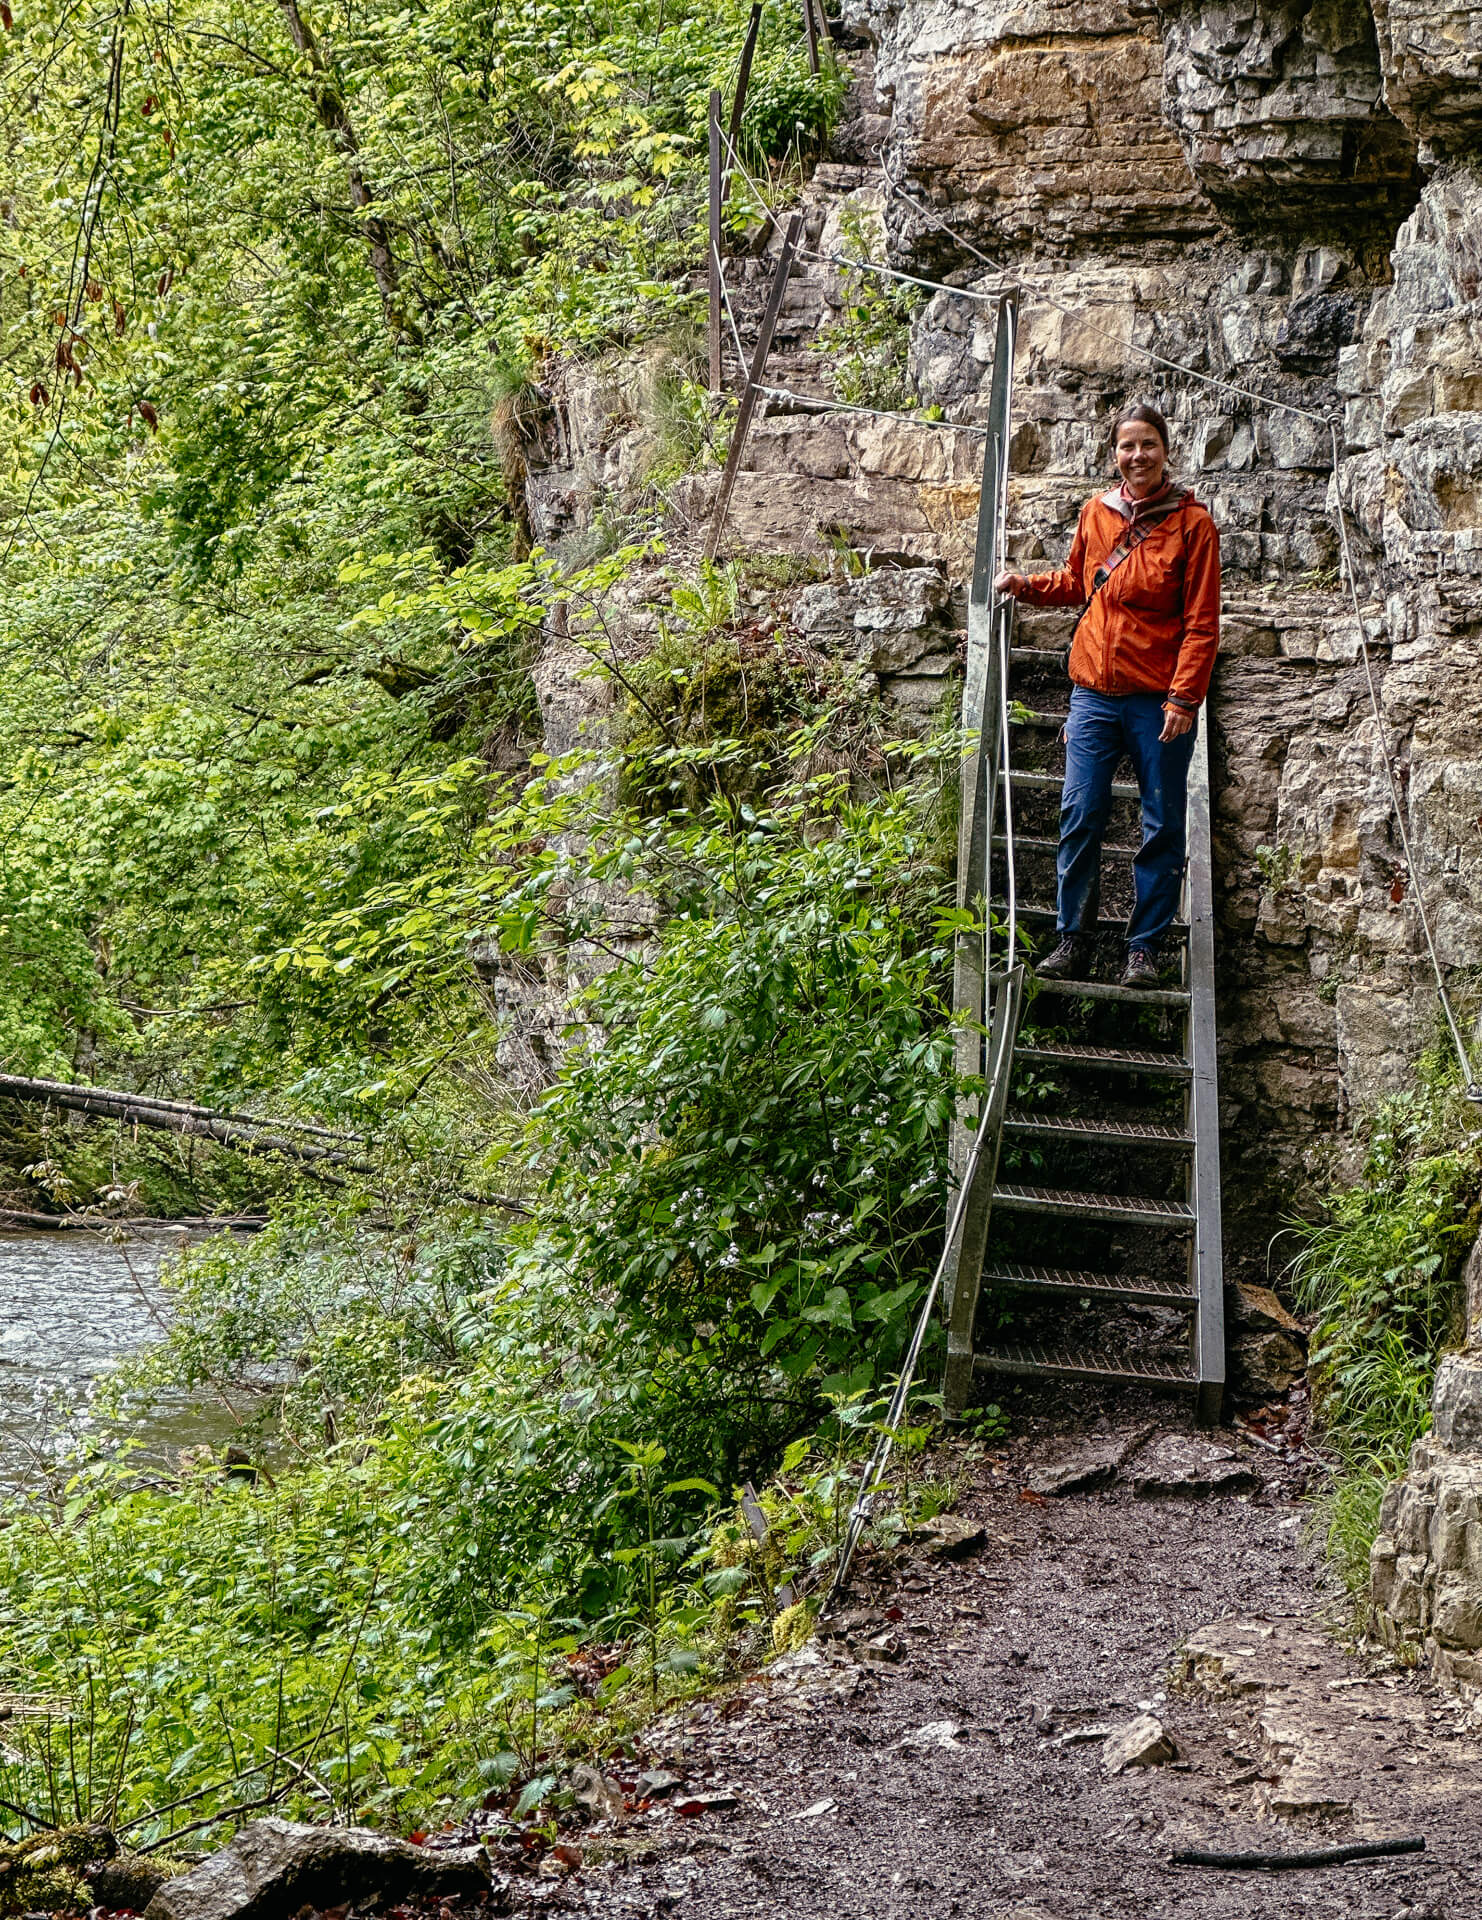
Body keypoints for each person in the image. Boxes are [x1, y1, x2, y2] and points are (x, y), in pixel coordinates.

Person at [993, 403, 1220, 990]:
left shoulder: (1193, 525)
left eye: (1148, 444)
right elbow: (1077, 581)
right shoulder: (1097, 512)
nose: (1137, 455)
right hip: (1092, 692)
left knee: (1161, 824)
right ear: (1114, 453)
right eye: (1127, 446)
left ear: (1165, 450)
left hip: (1156, 700)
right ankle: (1073, 940)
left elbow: (1201, 623)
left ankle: (1142, 949)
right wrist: (1026, 585)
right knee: (1080, 813)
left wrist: (1184, 699)